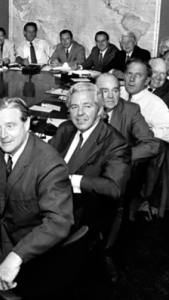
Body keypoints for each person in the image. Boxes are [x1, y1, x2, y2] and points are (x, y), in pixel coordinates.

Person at [0, 97, 73, 291]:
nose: (2, 135)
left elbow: (59, 222)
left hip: (28, 253)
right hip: (1, 232)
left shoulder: (49, 165)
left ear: (27, 123)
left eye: (10, 126)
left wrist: (15, 257)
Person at [49, 83, 131, 233]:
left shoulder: (116, 143)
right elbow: (45, 158)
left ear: (100, 110)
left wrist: (70, 179)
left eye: (87, 106)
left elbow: (114, 188)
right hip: (51, 201)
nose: (80, 113)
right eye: (74, 107)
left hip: (81, 215)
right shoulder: (65, 129)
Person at [96, 73, 159, 162]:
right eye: (105, 91)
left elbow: (152, 144)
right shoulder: (85, 107)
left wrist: (121, 155)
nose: (111, 96)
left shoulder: (130, 110)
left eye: (115, 91)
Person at [124, 59, 169, 148]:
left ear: (147, 80)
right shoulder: (117, 93)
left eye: (138, 75)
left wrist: (148, 131)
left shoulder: (155, 103)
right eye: (129, 74)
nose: (131, 79)